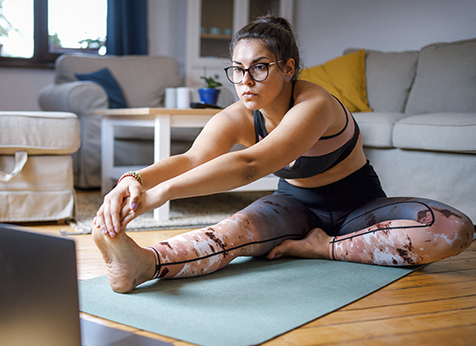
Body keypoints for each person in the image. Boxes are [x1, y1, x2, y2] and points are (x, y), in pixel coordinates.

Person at [93, 15, 474, 293]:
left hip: (360, 206)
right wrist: (133, 182)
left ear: (288, 68)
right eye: (238, 70)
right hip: (293, 206)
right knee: (230, 232)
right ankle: (143, 264)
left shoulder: (315, 103)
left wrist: (161, 194)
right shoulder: (239, 116)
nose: (246, 81)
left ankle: (325, 247)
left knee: (452, 229)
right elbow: (193, 159)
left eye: (260, 68)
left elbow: (250, 165)